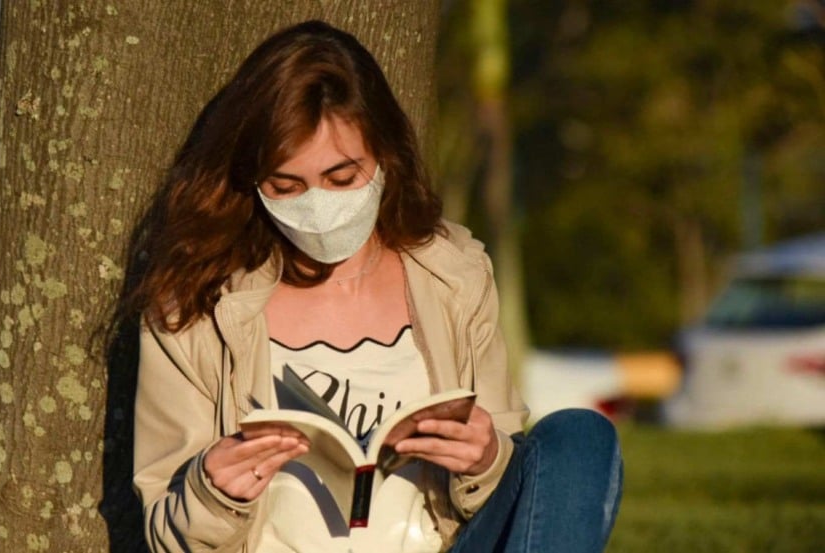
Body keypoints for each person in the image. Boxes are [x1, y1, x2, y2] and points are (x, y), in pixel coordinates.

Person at [128, 20, 622, 553]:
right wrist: (213, 490)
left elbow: (523, 511)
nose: (317, 207)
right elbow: (166, 531)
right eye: (285, 186)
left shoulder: (453, 274)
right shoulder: (197, 305)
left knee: (580, 438)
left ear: (385, 154)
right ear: (252, 182)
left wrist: (483, 461)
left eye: (342, 178)